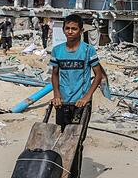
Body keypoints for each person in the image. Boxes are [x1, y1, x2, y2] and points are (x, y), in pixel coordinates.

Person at [50, 14, 104, 178]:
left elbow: (98, 75)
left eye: (74, 29)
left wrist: (87, 97)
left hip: (81, 104)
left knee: (76, 142)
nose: (70, 31)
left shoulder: (88, 50)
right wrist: (57, 95)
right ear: (64, 29)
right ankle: (60, 173)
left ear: (81, 31)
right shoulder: (57, 51)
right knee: (61, 139)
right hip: (63, 102)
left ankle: (74, 175)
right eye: (67, 28)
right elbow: (54, 74)